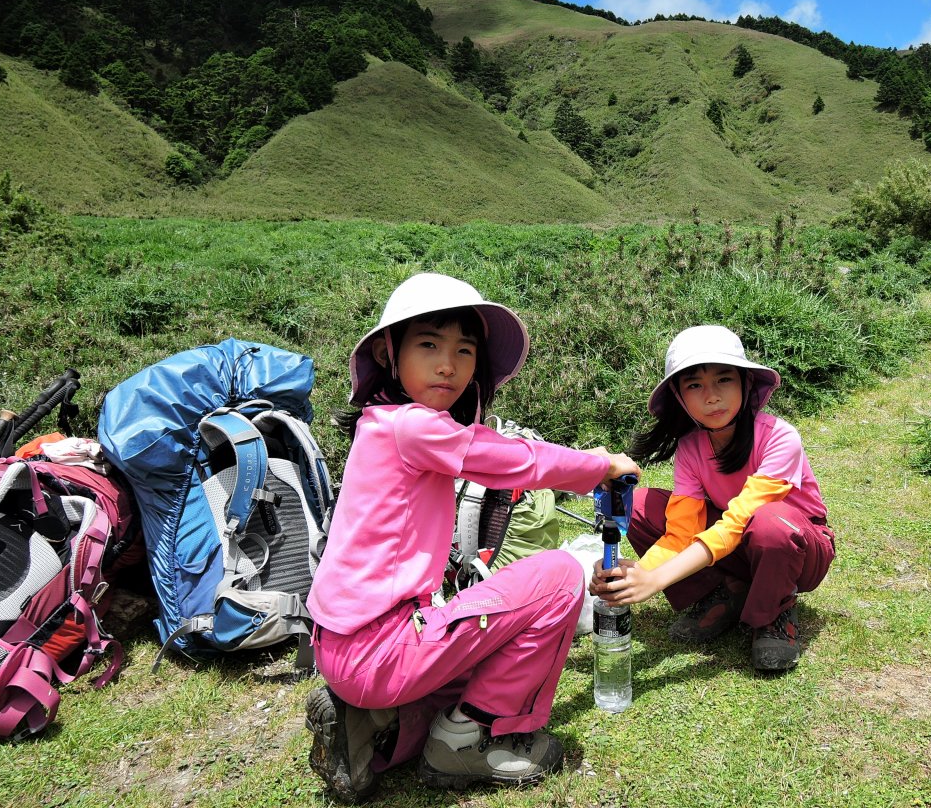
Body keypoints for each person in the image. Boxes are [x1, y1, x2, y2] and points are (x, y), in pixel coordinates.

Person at [304, 272, 639, 801]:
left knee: (485, 657)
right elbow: (518, 461)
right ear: (390, 353)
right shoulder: (413, 427)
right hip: (382, 649)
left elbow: (488, 447)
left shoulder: (381, 423)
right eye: (429, 345)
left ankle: (373, 724)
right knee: (557, 577)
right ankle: (463, 742)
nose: (448, 365)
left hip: (345, 649)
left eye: (464, 351)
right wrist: (600, 465)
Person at [590, 325, 834, 673]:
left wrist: (656, 580)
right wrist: (635, 574)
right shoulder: (691, 447)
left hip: (798, 547)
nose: (711, 396)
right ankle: (725, 591)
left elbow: (738, 521)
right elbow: (680, 533)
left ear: (745, 383)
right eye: (694, 385)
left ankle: (774, 612)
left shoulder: (780, 437)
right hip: (739, 544)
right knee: (642, 506)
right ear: (679, 397)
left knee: (768, 523)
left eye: (724, 379)